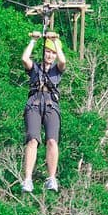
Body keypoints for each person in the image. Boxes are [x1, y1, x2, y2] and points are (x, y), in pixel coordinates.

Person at [20, 31, 66, 192]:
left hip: (51, 104)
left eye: (53, 53)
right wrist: (33, 41)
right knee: (33, 139)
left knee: (52, 141)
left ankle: (52, 178)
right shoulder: (35, 68)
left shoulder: (57, 69)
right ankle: (27, 179)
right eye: (48, 51)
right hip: (34, 103)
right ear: (43, 52)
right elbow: (25, 59)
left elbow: (63, 60)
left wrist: (55, 41)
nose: (50, 55)